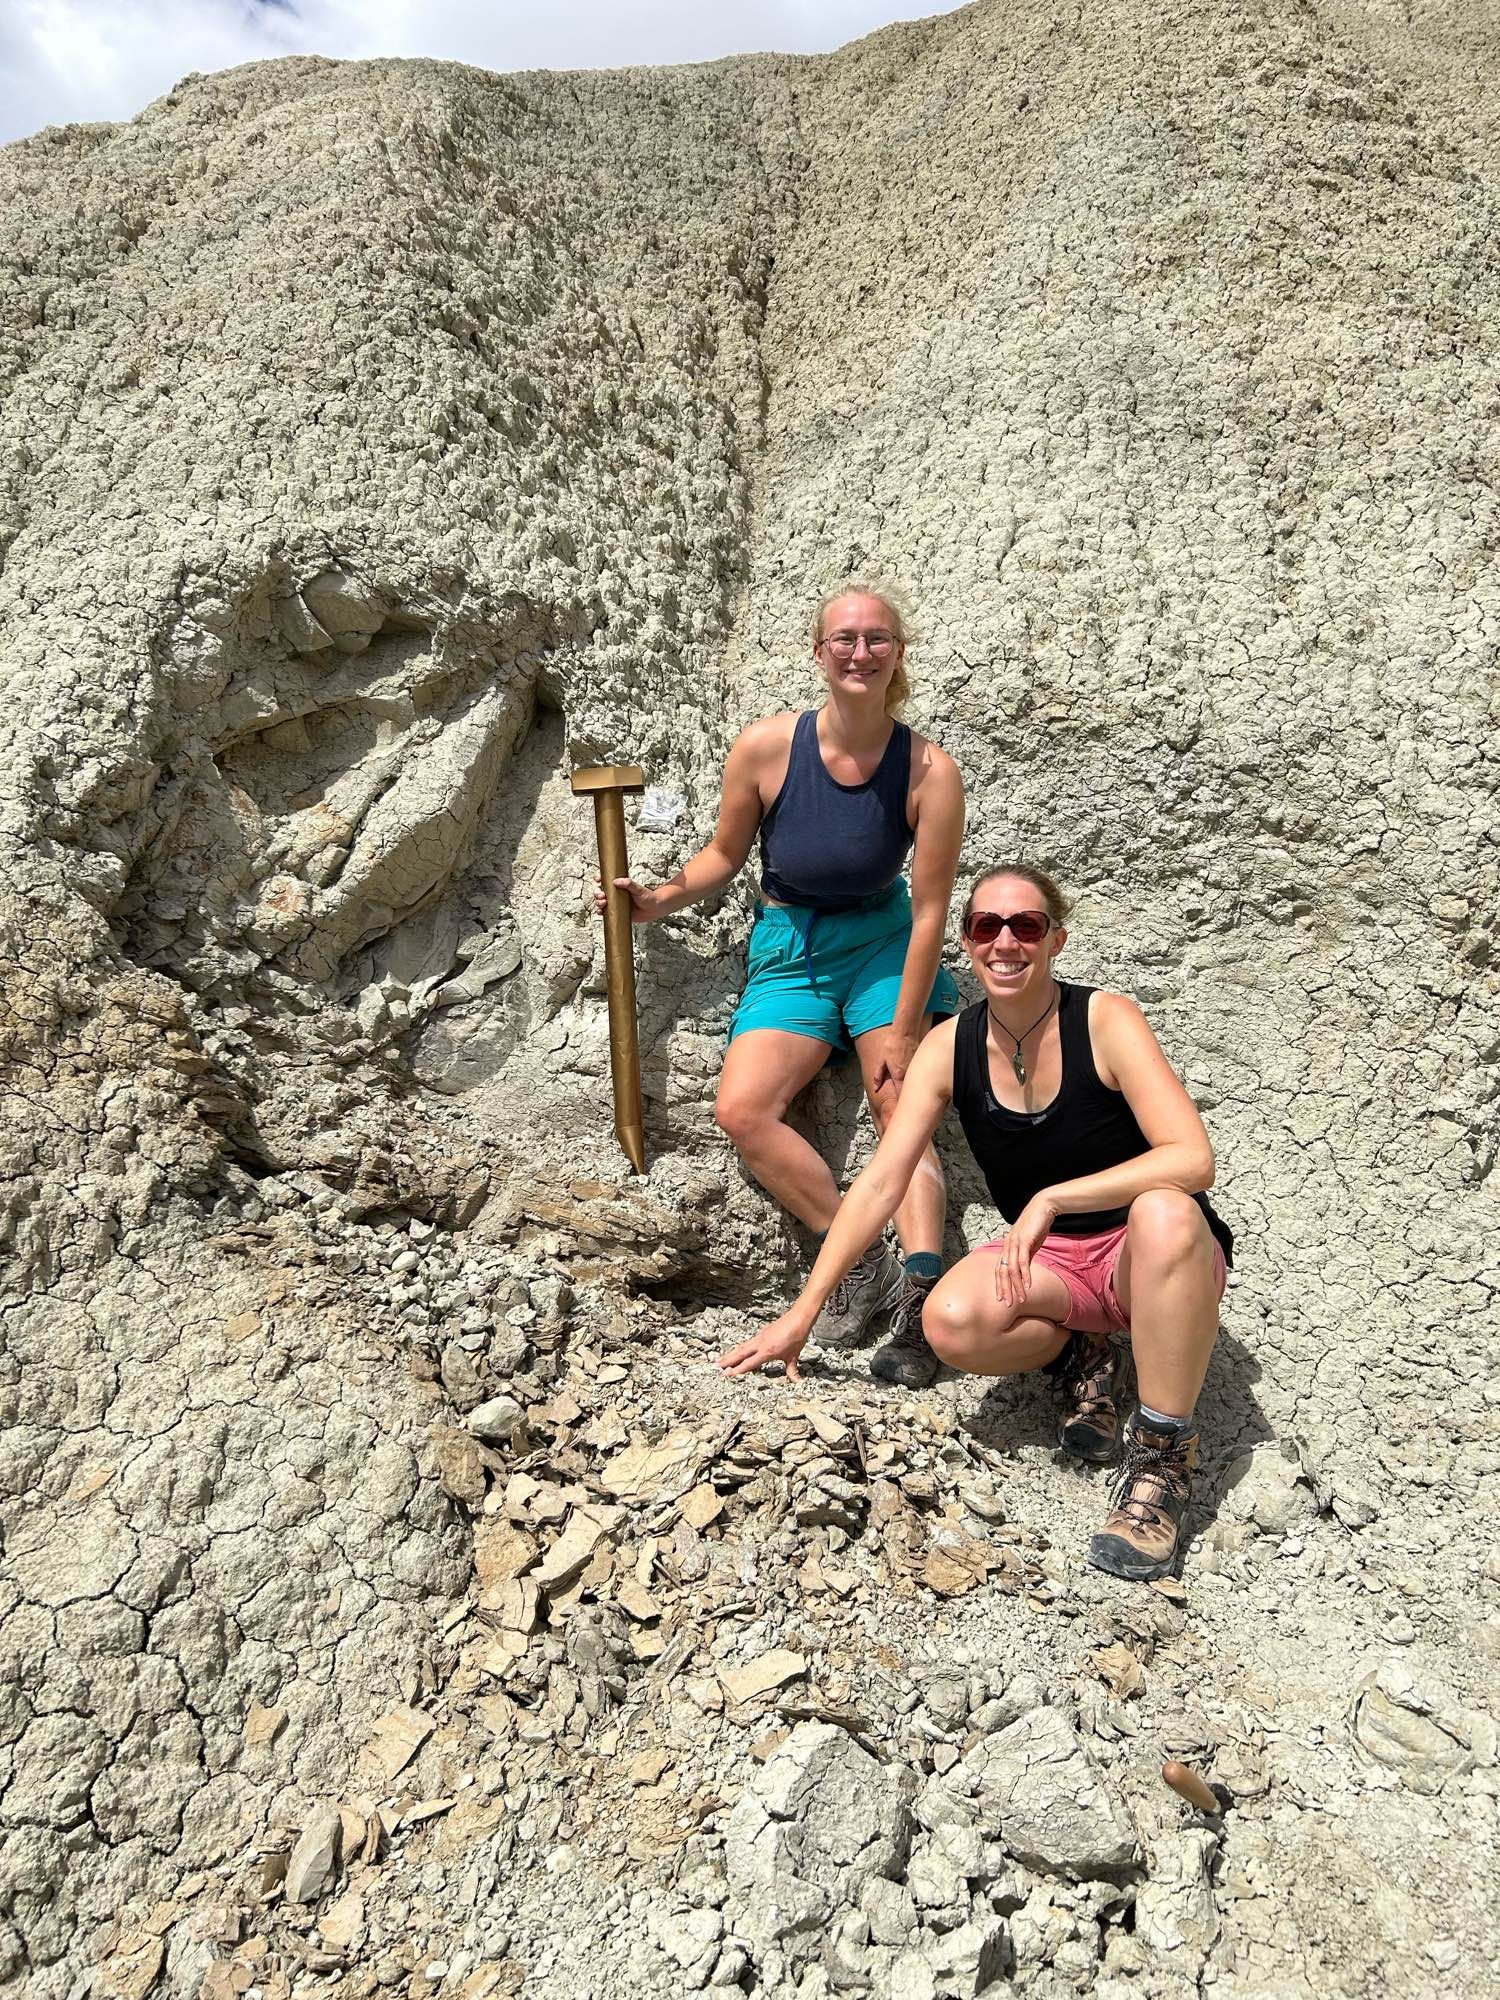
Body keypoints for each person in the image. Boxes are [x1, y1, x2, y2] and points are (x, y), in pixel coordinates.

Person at [718, 864, 1234, 1582]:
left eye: (1025, 926)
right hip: (1056, 1263)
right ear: (965, 940)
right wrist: (802, 1313)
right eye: (986, 926)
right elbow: (882, 1181)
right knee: (951, 1321)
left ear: (1056, 938)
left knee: (1167, 1212)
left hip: (1149, 1255)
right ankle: (1089, 1352)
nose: (1005, 943)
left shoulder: (1104, 1019)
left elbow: (1192, 1158)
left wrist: (1054, 1198)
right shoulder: (950, 1045)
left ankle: (1160, 1466)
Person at [598, 585, 965, 1367]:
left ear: (899, 651)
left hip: (882, 940)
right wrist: (655, 902)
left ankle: (922, 1302)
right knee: (743, 1109)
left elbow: (932, 909)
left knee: (901, 1103)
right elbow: (724, 859)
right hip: (790, 942)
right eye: (844, 638)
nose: (859, 652)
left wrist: (903, 1027)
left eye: (876, 639)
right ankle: (857, 1256)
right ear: (818, 650)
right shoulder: (766, 747)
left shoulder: (930, 770)